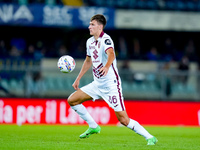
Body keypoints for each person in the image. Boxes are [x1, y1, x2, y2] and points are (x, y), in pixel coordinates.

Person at [67, 14, 158, 145]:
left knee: (123, 120)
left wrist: (106, 66)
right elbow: (88, 61)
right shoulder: (90, 42)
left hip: (111, 85)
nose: (89, 27)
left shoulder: (106, 39)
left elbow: (111, 54)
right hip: (97, 84)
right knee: (72, 100)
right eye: (90, 24)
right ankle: (93, 126)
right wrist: (78, 79)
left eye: (92, 24)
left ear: (100, 26)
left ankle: (150, 137)